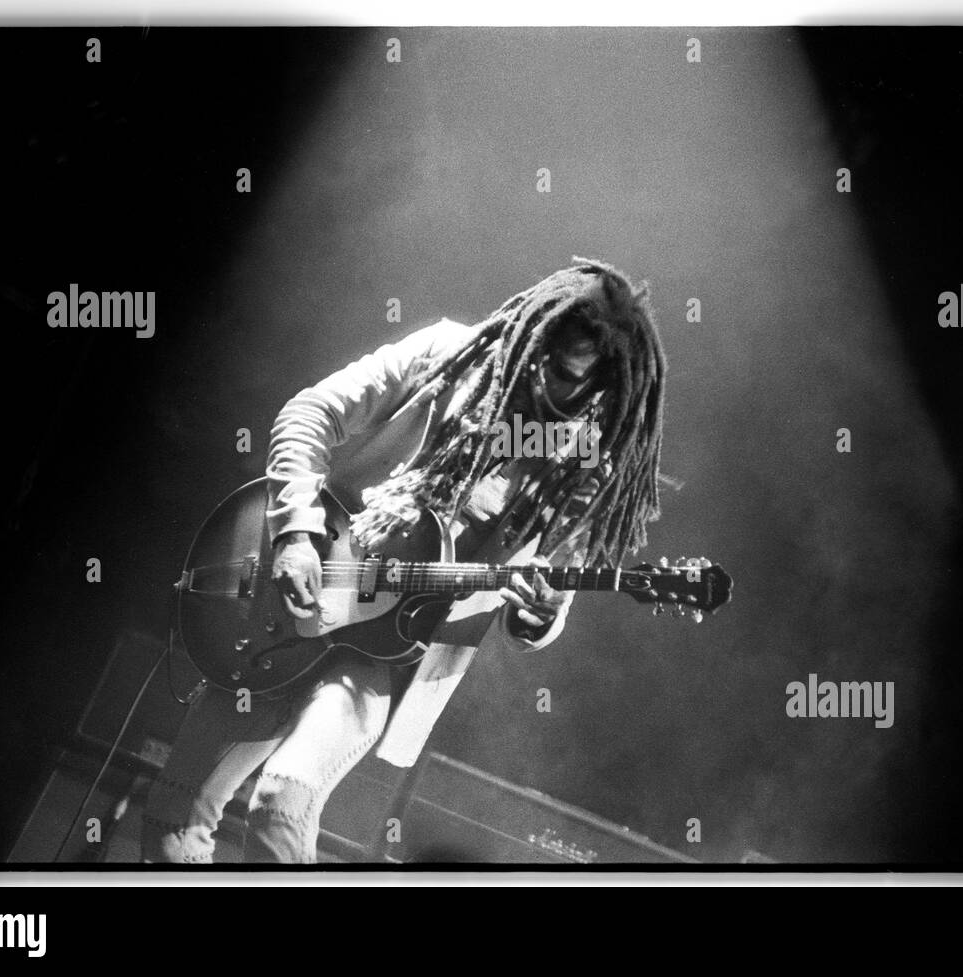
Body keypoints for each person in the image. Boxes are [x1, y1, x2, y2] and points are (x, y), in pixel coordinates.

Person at [140, 257, 667, 863]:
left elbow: (541, 610)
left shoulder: (582, 467)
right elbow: (309, 413)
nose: (549, 383)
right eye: (545, 358)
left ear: (604, 382)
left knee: (280, 805)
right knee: (174, 819)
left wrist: (541, 613)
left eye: (574, 379)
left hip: (379, 659)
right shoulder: (445, 356)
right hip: (281, 611)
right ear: (529, 331)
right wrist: (293, 536)